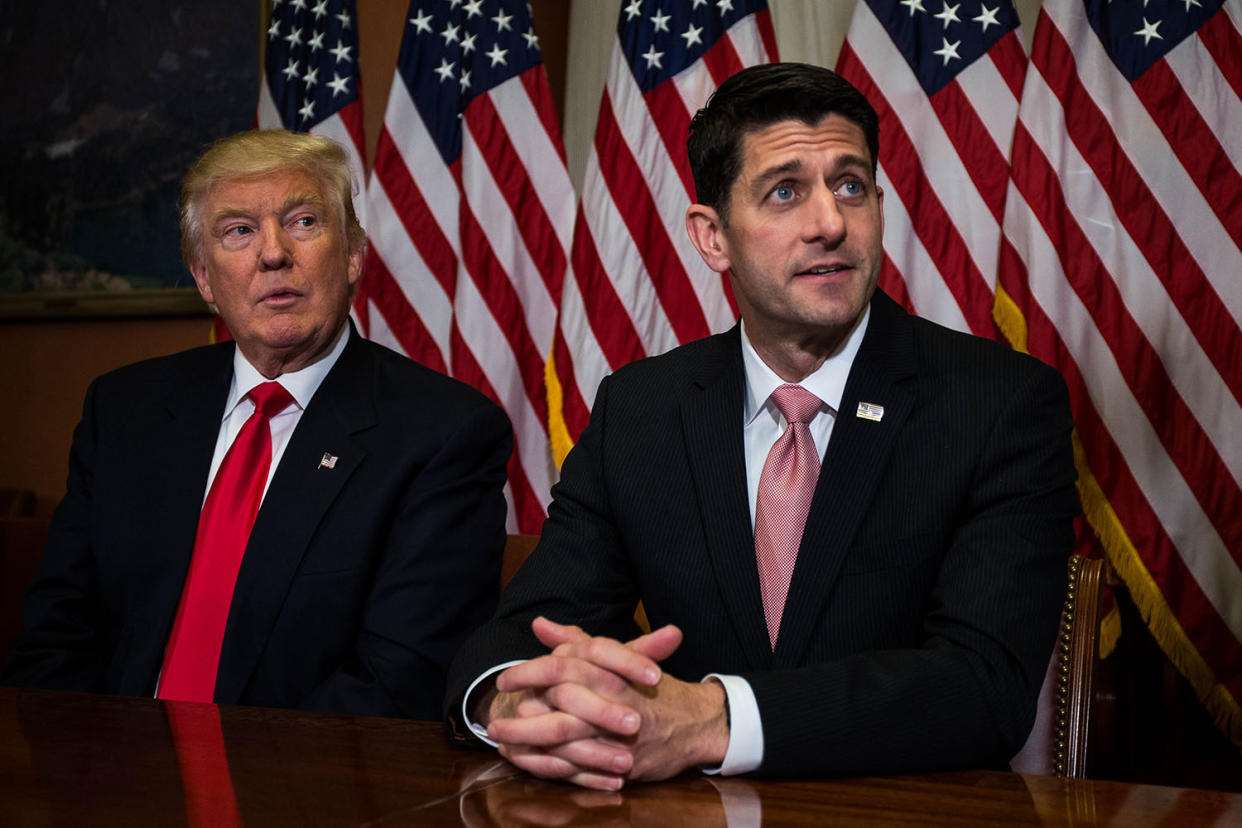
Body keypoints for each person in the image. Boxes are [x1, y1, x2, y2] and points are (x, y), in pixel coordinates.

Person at [444, 63, 1078, 788]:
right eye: (785, 192)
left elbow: (983, 688)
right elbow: (521, 634)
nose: (830, 223)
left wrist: (714, 719)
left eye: (850, 185)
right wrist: (522, 699)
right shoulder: (644, 410)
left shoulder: (997, 403)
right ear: (711, 238)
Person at [2, 130, 512, 719]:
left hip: (299, 788)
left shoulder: (444, 433)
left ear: (352, 255)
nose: (272, 254)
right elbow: (56, 639)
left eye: (302, 222)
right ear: (203, 277)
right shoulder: (123, 409)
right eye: (238, 231)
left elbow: (398, 683)